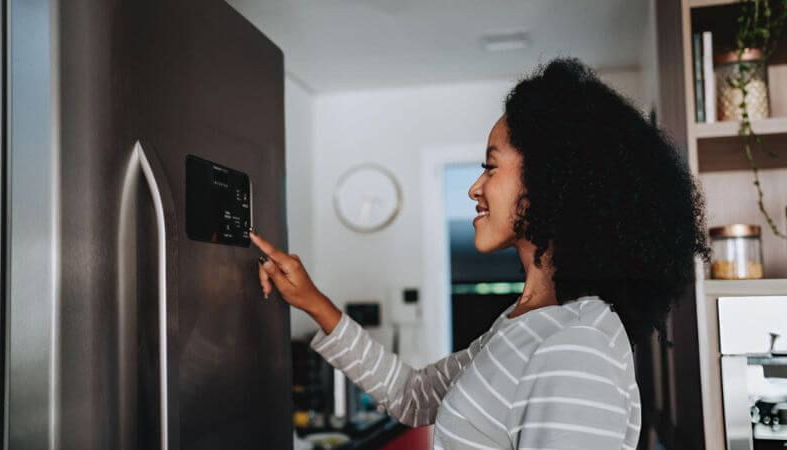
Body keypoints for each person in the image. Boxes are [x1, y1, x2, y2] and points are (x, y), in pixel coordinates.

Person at [248, 57, 712, 450]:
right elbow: (411, 394)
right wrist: (312, 300)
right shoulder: (524, 323)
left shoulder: (577, 344)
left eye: (490, 166)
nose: (475, 187)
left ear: (553, 180)